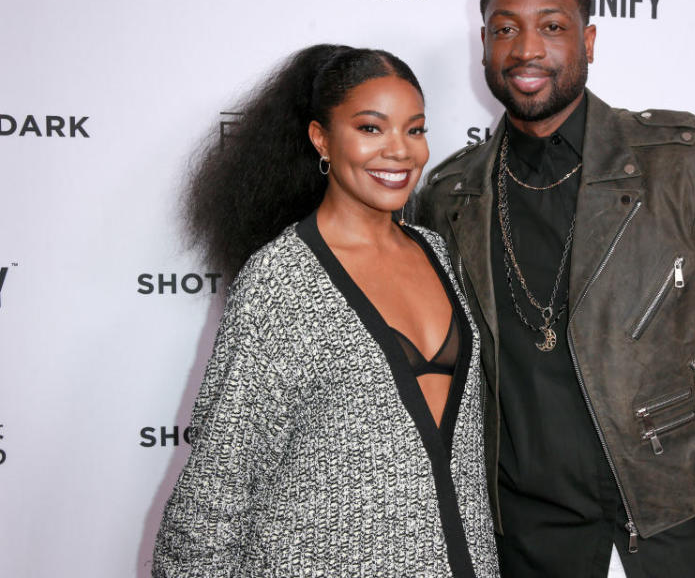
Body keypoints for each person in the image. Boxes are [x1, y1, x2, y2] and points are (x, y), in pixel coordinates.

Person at [417, 0, 695, 578]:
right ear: (483, 46)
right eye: (505, 29)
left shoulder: (684, 165)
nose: (526, 49)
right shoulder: (451, 197)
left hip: (673, 528)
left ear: (589, 41)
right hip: (525, 542)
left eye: (553, 26)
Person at [152, 44, 499, 577]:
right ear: (322, 139)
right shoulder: (281, 280)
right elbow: (216, 490)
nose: (400, 151)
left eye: (415, 129)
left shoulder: (441, 254)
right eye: (370, 128)